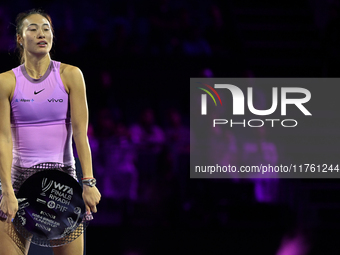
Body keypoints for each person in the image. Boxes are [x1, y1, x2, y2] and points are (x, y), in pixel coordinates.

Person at [0, 9, 101, 255]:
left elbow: (80, 134)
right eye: (32, 29)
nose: (41, 34)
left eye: (46, 28)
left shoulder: (71, 75)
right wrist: (7, 191)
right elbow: (3, 140)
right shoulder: (6, 82)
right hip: (18, 184)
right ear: (20, 39)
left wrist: (87, 181)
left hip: (62, 184)